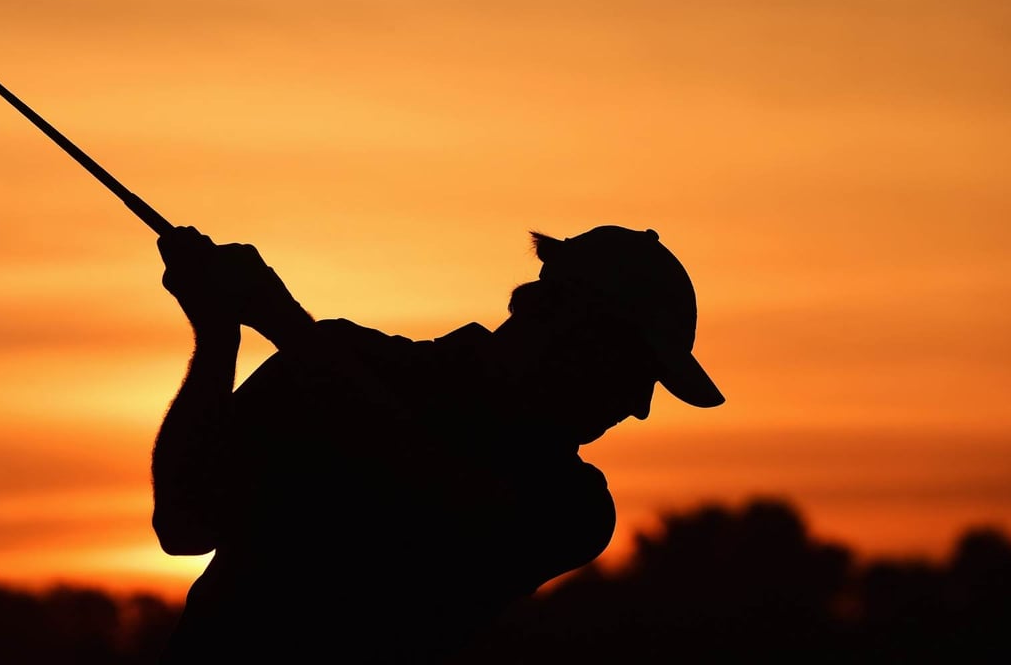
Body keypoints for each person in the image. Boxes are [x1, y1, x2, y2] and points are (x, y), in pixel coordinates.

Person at [151, 225, 724, 663]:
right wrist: (218, 335)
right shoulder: (331, 360)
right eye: (633, 370)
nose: (640, 406)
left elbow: (437, 491)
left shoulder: (573, 509)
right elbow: (183, 525)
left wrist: (289, 330)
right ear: (549, 317)